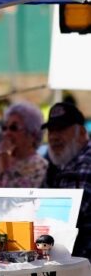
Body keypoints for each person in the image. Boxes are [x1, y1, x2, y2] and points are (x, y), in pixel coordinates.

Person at [41, 101, 91, 260]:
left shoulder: (87, 161)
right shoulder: (58, 162)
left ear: (81, 132)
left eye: (61, 129)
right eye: (51, 130)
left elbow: (68, 216)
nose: (54, 136)